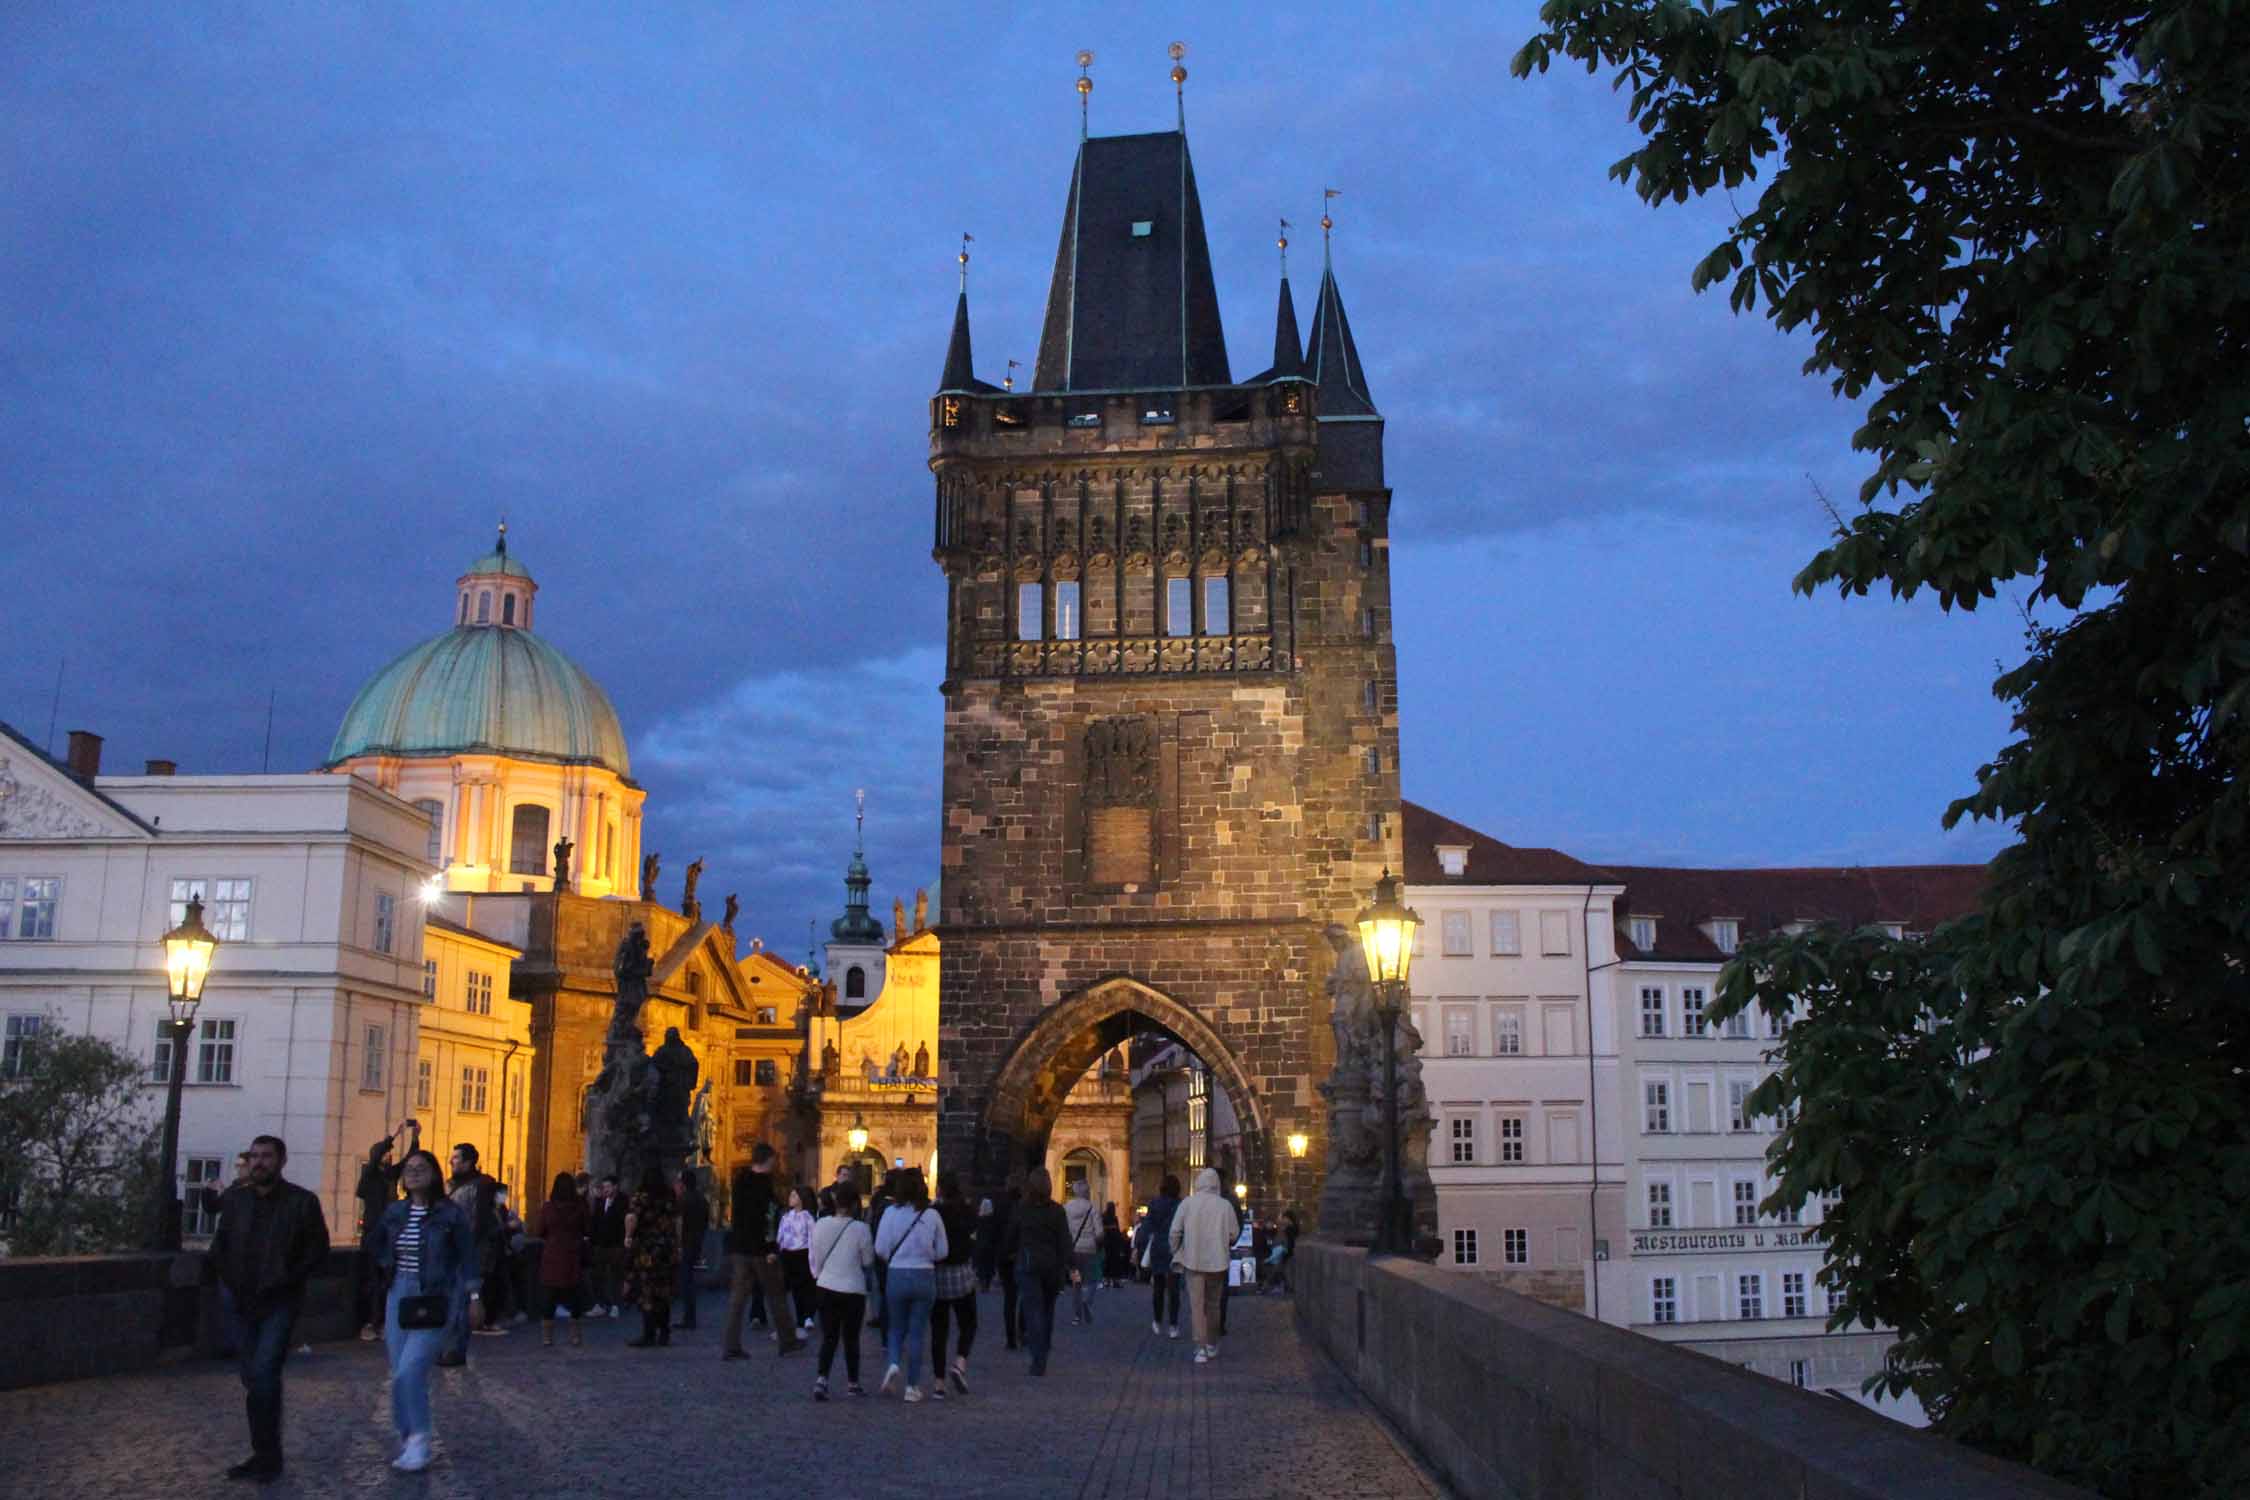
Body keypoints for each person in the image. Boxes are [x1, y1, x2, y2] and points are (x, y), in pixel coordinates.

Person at [207, 1134, 330, 1482]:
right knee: (254, 1378)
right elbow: (221, 1244)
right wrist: (227, 1279)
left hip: (278, 1300)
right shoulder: (236, 1199)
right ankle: (263, 1452)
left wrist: (289, 1279)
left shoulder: (302, 1202)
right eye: (255, 1156)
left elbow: (317, 1250)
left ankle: (267, 1457)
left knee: (263, 1374)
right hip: (239, 1299)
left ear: (281, 1160)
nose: (259, 1162)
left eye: (267, 1156)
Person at [370, 1149, 477, 1473]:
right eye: (409, 1168)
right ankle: (408, 1436)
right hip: (399, 1294)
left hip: (436, 1295)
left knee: (410, 1371)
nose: (414, 1172)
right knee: (399, 1370)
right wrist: (387, 1265)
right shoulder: (395, 1212)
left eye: (421, 1167)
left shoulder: (450, 1214)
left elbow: (468, 1256)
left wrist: (473, 1296)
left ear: (433, 1174)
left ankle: (419, 1438)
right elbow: (374, 1243)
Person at [722, 1143, 803, 1358]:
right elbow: (768, 1220)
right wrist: (770, 1247)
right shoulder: (765, 1186)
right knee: (776, 1295)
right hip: (760, 1250)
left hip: (740, 1248)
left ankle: (731, 1346)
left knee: (737, 1299)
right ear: (768, 1159)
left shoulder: (740, 1180)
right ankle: (788, 1340)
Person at [873, 1166, 947, 1400]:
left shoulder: (890, 1213)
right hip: (924, 1275)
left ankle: (894, 1363)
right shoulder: (932, 1215)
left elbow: (880, 1248)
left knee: (895, 1328)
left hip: (896, 1274)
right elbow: (943, 1250)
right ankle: (912, 1387)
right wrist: (928, 1256)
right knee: (917, 1332)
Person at [1000, 1168, 1073, 1377]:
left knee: (1033, 1311)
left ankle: (1037, 1357)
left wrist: (1007, 1254)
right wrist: (1071, 1264)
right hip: (1052, 1267)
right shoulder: (1058, 1211)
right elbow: (1064, 1241)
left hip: (1028, 1265)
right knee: (1048, 1310)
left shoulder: (1022, 1209)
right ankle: (1044, 1350)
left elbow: (1011, 1237)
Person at [809, 1182, 875, 1399]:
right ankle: (853, 1382)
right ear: (856, 1204)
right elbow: (867, 1261)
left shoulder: (821, 1225)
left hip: (826, 1285)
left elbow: (816, 1257)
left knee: (829, 1337)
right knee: (851, 1338)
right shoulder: (861, 1229)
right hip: (852, 1289)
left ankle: (821, 1379)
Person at [1169, 1167, 1241, 1365]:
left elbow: (1174, 1231)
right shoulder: (1225, 1206)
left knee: (1197, 1307)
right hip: (1217, 1261)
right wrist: (1224, 1242)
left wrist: (1176, 1250)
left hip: (1193, 1260)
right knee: (1214, 1305)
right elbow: (1234, 1234)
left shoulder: (1188, 1203)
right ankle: (1212, 1343)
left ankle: (1200, 1348)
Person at [352, 1120, 414, 1340]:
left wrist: (415, 1137)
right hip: (373, 1234)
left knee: (388, 1280)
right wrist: (394, 1135)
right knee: (372, 1280)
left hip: (390, 1234)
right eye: (386, 1154)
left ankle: (383, 1322)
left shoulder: (390, 1175)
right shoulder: (370, 1176)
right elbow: (378, 1153)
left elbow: (409, 1160)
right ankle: (370, 1322)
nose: (389, 1157)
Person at [442, 1143, 501, 1363]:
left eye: (456, 1158)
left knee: (461, 1301)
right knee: (451, 1301)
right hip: (451, 1251)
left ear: (468, 1162)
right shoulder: (451, 1186)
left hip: (469, 1253)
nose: (451, 1161)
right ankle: (448, 1347)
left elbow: (479, 1223)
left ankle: (456, 1350)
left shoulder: (481, 1185)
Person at [928, 1169, 979, 1397]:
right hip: (961, 1272)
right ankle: (959, 1362)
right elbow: (974, 1233)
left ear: (940, 1189)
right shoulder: (966, 1209)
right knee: (968, 1322)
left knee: (939, 1329)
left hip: (938, 1272)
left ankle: (939, 1384)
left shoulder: (934, 1212)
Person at [623, 1166, 679, 1347]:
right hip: (667, 1249)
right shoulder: (669, 1195)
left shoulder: (641, 1196)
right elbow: (678, 1219)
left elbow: (632, 1218)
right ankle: (664, 1332)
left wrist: (628, 1236)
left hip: (647, 1249)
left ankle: (648, 1333)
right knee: (664, 1291)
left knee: (647, 1291)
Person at [535, 1172, 590, 1347]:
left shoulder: (548, 1208)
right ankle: (575, 1335)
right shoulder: (580, 1207)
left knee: (549, 1298)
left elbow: (540, 1230)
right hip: (572, 1254)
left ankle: (547, 1337)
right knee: (575, 1297)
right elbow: (587, 1228)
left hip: (552, 1254)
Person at [1136, 1174, 1184, 1338]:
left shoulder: (1155, 1203)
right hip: (1175, 1248)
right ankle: (1173, 1325)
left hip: (1157, 1247)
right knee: (1174, 1289)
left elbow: (1147, 1226)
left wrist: (1139, 1245)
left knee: (1158, 1286)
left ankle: (1157, 1321)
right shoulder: (1180, 1204)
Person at [777, 1185, 817, 1332]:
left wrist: (813, 1258)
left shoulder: (808, 1217)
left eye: (794, 1195)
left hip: (803, 1254)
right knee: (795, 1289)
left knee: (807, 1287)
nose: (790, 1198)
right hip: (789, 1255)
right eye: (791, 1195)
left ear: (801, 1198)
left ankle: (808, 1316)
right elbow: (780, 1235)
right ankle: (801, 1318)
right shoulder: (786, 1216)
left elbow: (813, 1238)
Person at [986, 1186, 1021, 1348]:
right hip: (1021, 1256)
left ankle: (1011, 1337)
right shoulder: (1025, 1209)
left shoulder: (999, 1209)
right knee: (1024, 1296)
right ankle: (1022, 1331)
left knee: (1010, 1299)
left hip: (1005, 1257)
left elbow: (992, 1235)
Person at [674, 1170, 709, 1331]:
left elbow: (679, 1223)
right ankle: (690, 1317)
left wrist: (679, 1245)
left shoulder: (683, 1200)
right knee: (689, 1281)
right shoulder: (702, 1200)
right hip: (697, 1242)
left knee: (686, 1281)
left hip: (686, 1243)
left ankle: (689, 1318)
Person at [588, 1176, 628, 1318]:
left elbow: (619, 1220)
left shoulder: (623, 1201)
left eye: (608, 1187)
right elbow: (595, 1221)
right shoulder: (600, 1201)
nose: (605, 1190)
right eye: (604, 1187)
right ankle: (601, 1303)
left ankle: (615, 1305)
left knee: (615, 1276)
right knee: (597, 1275)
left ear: (615, 1187)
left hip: (615, 1244)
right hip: (600, 1244)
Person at [1063, 1177, 1100, 1324]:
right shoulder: (1092, 1208)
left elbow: (1064, 1229)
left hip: (1074, 1251)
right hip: (1089, 1251)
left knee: (1076, 1283)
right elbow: (1100, 1233)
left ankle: (1077, 1316)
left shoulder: (1067, 1207)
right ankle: (1087, 1301)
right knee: (1091, 1280)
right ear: (1087, 1192)